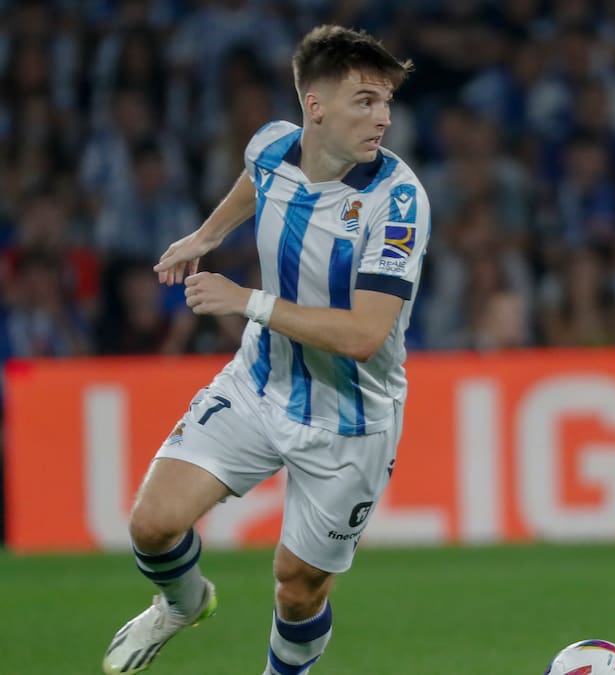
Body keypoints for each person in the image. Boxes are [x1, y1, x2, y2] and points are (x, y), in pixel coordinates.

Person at [101, 25, 425, 675]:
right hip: (260, 380)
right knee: (152, 525)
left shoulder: (397, 201)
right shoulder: (272, 145)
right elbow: (258, 179)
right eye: (365, 101)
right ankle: (184, 602)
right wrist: (206, 235)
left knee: (297, 587)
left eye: (387, 102)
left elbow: (365, 336)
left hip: (350, 419)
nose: (383, 118)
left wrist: (244, 299)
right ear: (316, 107)